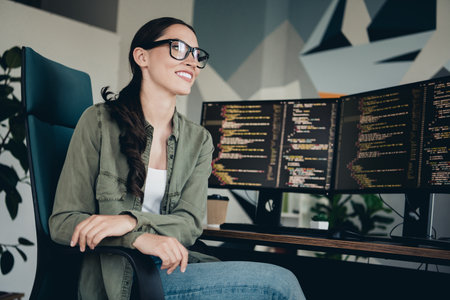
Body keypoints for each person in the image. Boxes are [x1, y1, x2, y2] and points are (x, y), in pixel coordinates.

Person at [49, 17, 305, 300]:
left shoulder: (199, 140)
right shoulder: (98, 122)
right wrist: (138, 237)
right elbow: (63, 222)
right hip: (123, 279)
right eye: (179, 48)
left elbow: (190, 222)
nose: (192, 63)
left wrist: (130, 221)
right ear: (142, 56)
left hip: (175, 267)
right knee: (280, 285)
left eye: (197, 55)